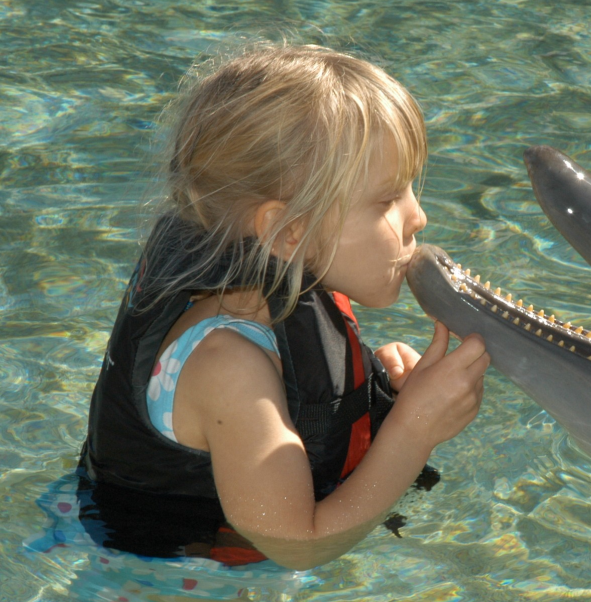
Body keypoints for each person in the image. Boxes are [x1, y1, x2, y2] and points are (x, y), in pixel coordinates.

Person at [74, 42, 491, 573]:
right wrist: (416, 428)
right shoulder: (230, 366)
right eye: (387, 200)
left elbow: (305, 387)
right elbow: (297, 544)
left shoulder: (278, 279)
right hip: (172, 588)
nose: (419, 216)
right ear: (289, 231)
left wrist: (377, 388)